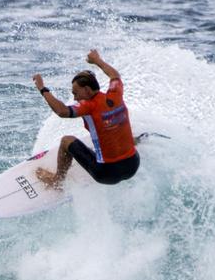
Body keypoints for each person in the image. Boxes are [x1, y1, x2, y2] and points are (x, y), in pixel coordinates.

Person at [32, 49, 139, 188]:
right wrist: (97, 60)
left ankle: (56, 181)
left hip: (107, 173)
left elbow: (62, 111)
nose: (75, 98)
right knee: (115, 125)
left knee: (66, 141)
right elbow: (114, 75)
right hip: (133, 165)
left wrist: (42, 88)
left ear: (88, 90)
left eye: (76, 93)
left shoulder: (89, 106)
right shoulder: (115, 93)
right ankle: (132, 142)